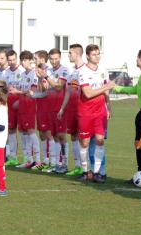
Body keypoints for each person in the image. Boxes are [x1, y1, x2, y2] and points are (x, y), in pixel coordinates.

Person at [113, 49, 141, 185]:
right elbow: (134, 90)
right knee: (138, 143)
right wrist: (116, 87)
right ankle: (140, 174)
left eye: (137, 57)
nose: (136, 60)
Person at [76, 44, 115, 183]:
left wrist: (108, 107)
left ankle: (97, 173)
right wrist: (106, 86)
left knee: (99, 141)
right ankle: (85, 171)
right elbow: (87, 93)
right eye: (94, 54)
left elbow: (106, 91)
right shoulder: (82, 72)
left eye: (98, 54)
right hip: (85, 112)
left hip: (100, 112)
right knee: (85, 143)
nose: (97, 56)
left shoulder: (103, 69)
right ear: (87, 56)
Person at [35, 48, 69, 174]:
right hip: (50, 107)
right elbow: (44, 89)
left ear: (60, 58)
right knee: (54, 137)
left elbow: (59, 86)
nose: (54, 61)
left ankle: (65, 164)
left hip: (60, 108)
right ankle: (57, 164)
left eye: (56, 59)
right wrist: (39, 78)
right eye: (52, 59)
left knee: (61, 136)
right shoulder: (47, 71)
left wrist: (46, 76)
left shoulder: (64, 70)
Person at [57, 44, 86, 176]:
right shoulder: (72, 71)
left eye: (70, 53)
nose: (68, 55)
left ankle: (87, 168)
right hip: (71, 110)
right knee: (73, 136)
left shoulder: (85, 69)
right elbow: (69, 91)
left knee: (83, 138)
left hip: (83, 109)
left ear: (77, 54)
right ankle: (78, 166)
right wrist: (62, 108)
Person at [9, 50, 41, 168]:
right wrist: (19, 99)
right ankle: (28, 159)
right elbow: (24, 91)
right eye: (22, 60)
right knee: (23, 132)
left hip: (30, 106)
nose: (23, 62)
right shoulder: (22, 74)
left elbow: (32, 91)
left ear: (30, 60)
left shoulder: (34, 73)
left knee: (30, 131)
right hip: (22, 105)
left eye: (26, 60)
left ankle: (37, 160)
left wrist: (17, 92)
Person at [31, 50, 56, 172]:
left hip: (47, 107)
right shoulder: (38, 72)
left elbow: (44, 91)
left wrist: (34, 95)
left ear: (41, 59)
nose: (34, 61)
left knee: (49, 134)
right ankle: (45, 162)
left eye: (35, 58)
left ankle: (53, 162)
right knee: (42, 134)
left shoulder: (48, 72)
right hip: (40, 107)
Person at [3, 50, 26, 166]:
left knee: (23, 131)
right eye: (10, 60)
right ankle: (13, 157)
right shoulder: (5, 73)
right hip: (10, 105)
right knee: (11, 130)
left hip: (21, 103)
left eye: (14, 60)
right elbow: (4, 89)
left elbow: (26, 89)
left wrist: (20, 99)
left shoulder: (22, 71)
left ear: (16, 59)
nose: (12, 62)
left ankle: (27, 159)